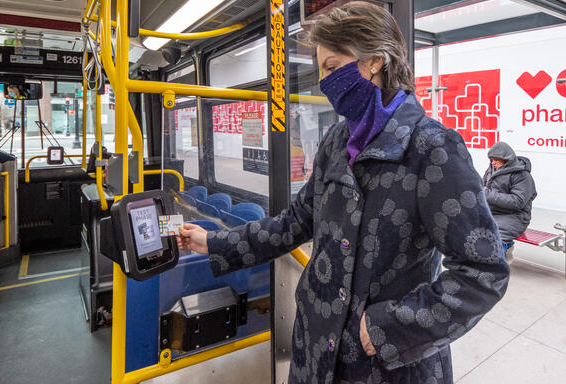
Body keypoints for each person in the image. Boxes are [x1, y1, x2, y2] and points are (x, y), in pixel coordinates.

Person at [178, 3, 509, 383]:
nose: (324, 82)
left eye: (332, 67)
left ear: (374, 62)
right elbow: (296, 221)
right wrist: (215, 243)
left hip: (385, 363)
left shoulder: (433, 148)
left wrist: (389, 326)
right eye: (321, 70)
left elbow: (483, 272)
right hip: (316, 349)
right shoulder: (337, 141)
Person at [483, 142, 537, 263]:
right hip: (492, 212)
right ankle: (507, 247)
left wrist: (487, 194)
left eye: (496, 160)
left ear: (506, 160)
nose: (493, 162)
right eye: (491, 159)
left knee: (494, 237)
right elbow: (482, 188)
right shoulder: (490, 170)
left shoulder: (522, 175)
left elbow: (517, 202)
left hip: (515, 216)